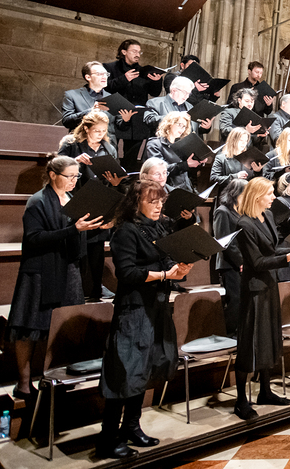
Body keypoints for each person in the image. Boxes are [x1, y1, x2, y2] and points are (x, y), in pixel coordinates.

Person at [97, 180, 193, 459]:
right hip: (133, 310)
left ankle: (131, 427)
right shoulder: (125, 230)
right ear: (135, 202)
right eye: (152, 201)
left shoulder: (159, 228)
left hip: (157, 307)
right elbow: (126, 273)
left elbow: (166, 263)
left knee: (144, 370)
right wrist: (164, 275)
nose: (158, 206)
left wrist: (179, 269)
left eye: (161, 201)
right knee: (124, 372)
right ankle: (107, 438)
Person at [6, 155, 106, 403]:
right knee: (29, 327)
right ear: (52, 175)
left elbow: (76, 234)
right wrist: (74, 229)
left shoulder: (72, 199)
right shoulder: (37, 201)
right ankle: (23, 383)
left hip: (68, 269)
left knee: (64, 326)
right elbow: (34, 238)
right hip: (40, 271)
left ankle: (56, 377)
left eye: (76, 176)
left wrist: (96, 227)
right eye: (69, 176)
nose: (74, 181)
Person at [233, 178, 290, 420]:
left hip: (269, 284)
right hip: (254, 290)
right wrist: (289, 258)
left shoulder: (267, 216)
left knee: (268, 338)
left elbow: (271, 249)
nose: (273, 198)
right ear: (257, 196)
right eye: (269, 193)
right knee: (250, 342)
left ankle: (265, 392)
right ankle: (240, 400)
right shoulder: (244, 224)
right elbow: (256, 262)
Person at [57, 110, 122, 300]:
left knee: (96, 250)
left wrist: (115, 182)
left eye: (103, 131)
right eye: (97, 131)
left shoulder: (108, 149)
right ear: (86, 128)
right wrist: (75, 162)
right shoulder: (71, 144)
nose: (101, 134)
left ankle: (95, 289)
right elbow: (55, 167)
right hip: (75, 200)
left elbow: (114, 175)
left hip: (97, 202)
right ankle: (72, 289)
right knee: (75, 247)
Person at [103, 40, 164, 171]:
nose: (137, 55)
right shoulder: (110, 68)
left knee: (131, 156)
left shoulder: (143, 71)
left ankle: (127, 179)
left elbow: (154, 93)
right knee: (110, 151)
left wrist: (157, 81)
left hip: (136, 119)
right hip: (115, 115)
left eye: (139, 52)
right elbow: (105, 87)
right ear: (124, 52)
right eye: (134, 51)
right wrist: (124, 79)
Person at [212, 179, 247, 337]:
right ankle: (231, 333)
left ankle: (241, 331)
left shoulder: (241, 211)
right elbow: (224, 241)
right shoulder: (222, 211)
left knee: (242, 299)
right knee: (234, 299)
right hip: (229, 264)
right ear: (236, 193)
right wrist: (240, 261)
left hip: (242, 263)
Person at [62, 61, 130, 136]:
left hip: (106, 142)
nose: (104, 77)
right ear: (88, 77)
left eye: (106, 74)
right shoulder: (72, 95)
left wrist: (126, 120)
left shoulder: (113, 98)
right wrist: (91, 111)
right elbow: (66, 121)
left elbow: (121, 127)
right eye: (100, 74)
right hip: (81, 140)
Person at [143, 112, 206, 192]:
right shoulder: (154, 144)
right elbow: (160, 170)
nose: (182, 129)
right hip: (166, 190)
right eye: (180, 125)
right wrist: (186, 165)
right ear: (170, 124)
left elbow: (189, 168)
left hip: (185, 189)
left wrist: (200, 159)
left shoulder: (182, 145)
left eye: (184, 127)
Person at [143, 75, 213, 137]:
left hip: (187, 145)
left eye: (189, 94)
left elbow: (193, 129)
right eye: (185, 92)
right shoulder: (155, 103)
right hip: (165, 144)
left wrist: (205, 127)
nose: (187, 96)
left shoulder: (190, 106)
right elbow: (150, 121)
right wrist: (175, 117)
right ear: (174, 90)